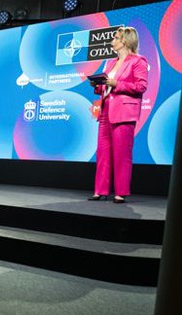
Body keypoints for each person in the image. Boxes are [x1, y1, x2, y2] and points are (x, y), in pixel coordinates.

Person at [88, 26, 148, 204]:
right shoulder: (110, 63)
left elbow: (141, 86)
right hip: (106, 110)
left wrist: (117, 83)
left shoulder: (138, 61)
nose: (112, 41)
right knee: (103, 152)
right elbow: (106, 87)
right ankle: (100, 191)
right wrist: (98, 86)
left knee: (122, 154)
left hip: (124, 112)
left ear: (125, 41)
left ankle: (120, 192)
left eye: (115, 38)